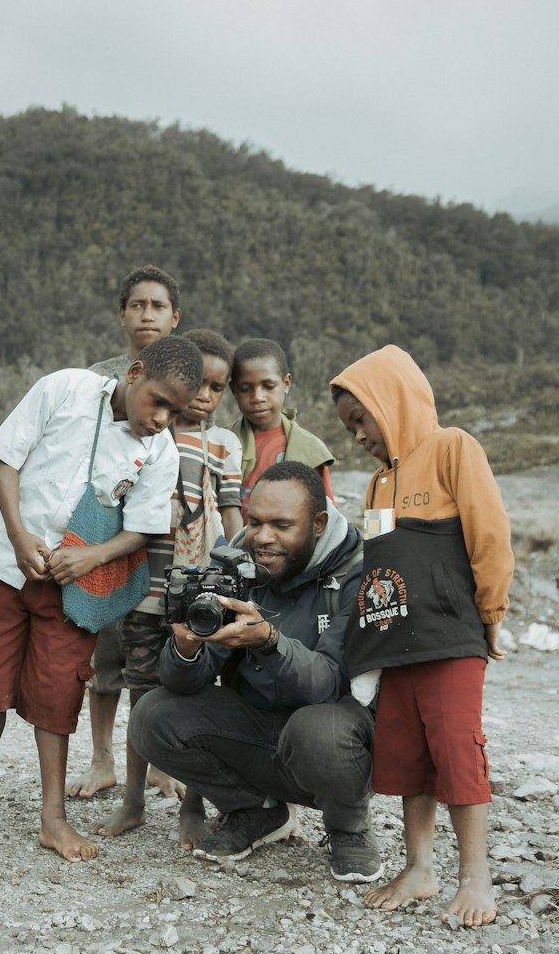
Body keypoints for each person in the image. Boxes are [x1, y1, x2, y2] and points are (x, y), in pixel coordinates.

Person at [0, 335, 204, 864]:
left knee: (57, 693)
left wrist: (93, 557)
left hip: (74, 587)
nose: (163, 418)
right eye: (158, 401)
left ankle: (53, 818)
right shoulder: (64, 389)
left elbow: (143, 530)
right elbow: (5, 461)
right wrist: (15, 534)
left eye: (176, 411)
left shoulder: (160, 451)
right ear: (134, 372)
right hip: (6, 567)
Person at [331, 344, 514, 927]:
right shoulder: (376, 487)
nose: (358, 435)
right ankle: (419, 867)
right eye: (349, 426)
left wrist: (492, 612)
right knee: (407, 751)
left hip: (449, 636)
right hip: (395, 644)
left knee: (456, 746)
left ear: (395, 401)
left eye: (362, 419)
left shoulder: (452, 449)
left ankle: (475, 877)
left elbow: (489, 535)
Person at [129, 462, 383, 882]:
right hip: (257, 729)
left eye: (282, 525)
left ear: (318, 523)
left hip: (331, 734)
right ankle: (256, 811)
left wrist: (269, 642)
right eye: (255, 522)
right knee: (154, 715)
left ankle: (348, 828)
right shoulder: (235, 563)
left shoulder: (357, 572)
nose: (263, 538)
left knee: (319, 729)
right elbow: (183, 684)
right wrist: (188, 645)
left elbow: (328, 684)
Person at [96, 328, 243, 848]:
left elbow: (231, 522)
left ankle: (192, 808)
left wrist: (231, 578)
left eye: (216, 387)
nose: (203, 396)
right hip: (143, 591)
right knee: (141, 695)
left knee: (195, 699)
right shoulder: (146, 433)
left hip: (196, 604)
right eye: (196, 384)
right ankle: (133, 800)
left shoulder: (225, 444)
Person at [70, 265, 183, 802]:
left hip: (169, 543)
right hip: (110, 536)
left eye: (157, 306)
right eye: (137, 305)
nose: (146, 314)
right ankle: (100, 759)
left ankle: (157, 761)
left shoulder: (192, 377)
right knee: (105, 654)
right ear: (122, 314)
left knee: (155, 660)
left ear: (175, 316)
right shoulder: (102, 378)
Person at [230, 338, 335, 523]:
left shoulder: (309, 450)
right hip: (232, 548)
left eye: (268, 387)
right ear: (233, 390)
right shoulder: (224, 443)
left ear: (286, 383)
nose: (257, 397)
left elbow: (326, 515)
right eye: (245, 389)